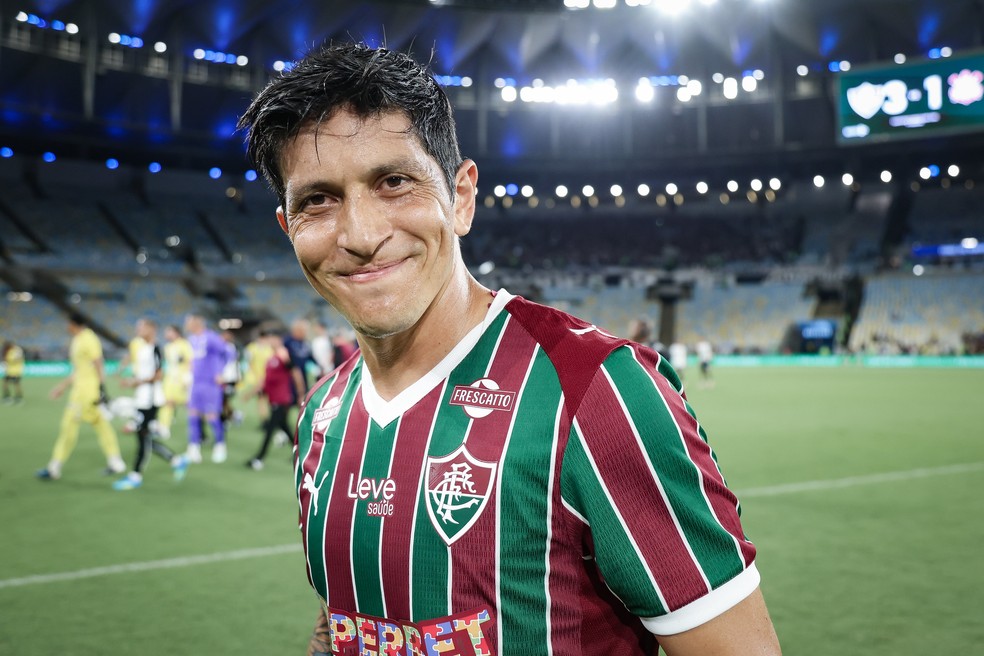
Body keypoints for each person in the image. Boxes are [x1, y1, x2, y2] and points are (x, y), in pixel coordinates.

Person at [238, 42, 781, 655]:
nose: (361, 235)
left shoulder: (595, 391)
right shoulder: (322, 415)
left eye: (395, 182)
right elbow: (342, 626)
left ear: (462, 196)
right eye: (318, 200)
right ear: (289, 229)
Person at [37, 314, 127, 480]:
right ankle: (116, 462)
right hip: (81, 391)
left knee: (69, 428)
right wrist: (62, 387)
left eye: (68, 324)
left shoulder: (89, 339)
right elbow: (80, 369)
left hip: (85, 394)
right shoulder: (78, 339)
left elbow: (98, 363)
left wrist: (101, 388)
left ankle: (54, 467)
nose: (67, 327)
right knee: (101, 426)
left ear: (73, 324)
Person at [112, 318, 189, 490]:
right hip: (142, 398)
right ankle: (176, 460)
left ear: (151, 329)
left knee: (142, 437)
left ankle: (135, 475)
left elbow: (159, 375)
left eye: (142, 327)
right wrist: (133, 381)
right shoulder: (142, 348)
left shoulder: (155, 348)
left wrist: (135, 383)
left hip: (151, 401)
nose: (138, 330)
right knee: (144, 436)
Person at [184, 314, 233, 464]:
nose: (186, 325)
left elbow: (229, 353)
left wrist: (221, 372)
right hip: (196, 383)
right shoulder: (192, 339)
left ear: (196, 323)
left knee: (212, 416)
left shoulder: (211, 337)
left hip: (210, 384)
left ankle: (220, 445)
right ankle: (193, 447)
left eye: (188, 322)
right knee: (193, 414)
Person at [245, 326, 294, 471]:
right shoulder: (271, 357)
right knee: (285, 428)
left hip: (281, 399)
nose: (270, 341)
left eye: (273, 338)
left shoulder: (282, 355)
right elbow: (267, 380)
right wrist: (252, 393)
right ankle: (302, 453)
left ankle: (259, 458)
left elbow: (292, 369)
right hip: (273, 398)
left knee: (270, 429)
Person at [158, 324, 193, 440]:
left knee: (188, 404)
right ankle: (163, 427)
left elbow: (191, 361)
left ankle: (196, 427)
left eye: (169, 332)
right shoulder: (167, 347)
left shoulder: (184, 344)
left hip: (182, 379)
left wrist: (188, 377)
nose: (166, 334)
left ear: (176, 332)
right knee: (168, 402)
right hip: (170, 380)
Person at [241, 328, 275, 428]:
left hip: (267, 379)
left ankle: (267, 421)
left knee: (266, 400)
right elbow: (249, 364)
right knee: (262, 400)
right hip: (260, 379)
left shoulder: (267, 349)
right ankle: (265, 421)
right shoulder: (253, 348)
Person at [2, 340, 25, 404]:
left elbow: (14, 359)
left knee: (16, 384)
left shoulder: (16, 351)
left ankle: (19, 397)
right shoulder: (10, 351)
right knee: (5, 384)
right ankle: (7, 396)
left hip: (15, 371)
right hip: (9, 371)